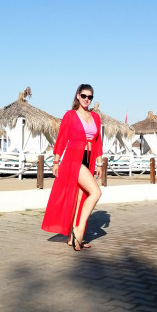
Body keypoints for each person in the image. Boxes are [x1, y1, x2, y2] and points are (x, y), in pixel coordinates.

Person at [41, 84, 103, 251]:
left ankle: (72, 238)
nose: (86, 99)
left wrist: (99, 163)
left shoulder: (95, 117)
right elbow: (62, 139)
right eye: (84, 96)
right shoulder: (70, 115)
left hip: (89, 159)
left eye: (90, 97)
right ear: (78, 95)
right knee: (96, 192)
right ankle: (79, 230)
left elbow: (98, 141)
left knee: (80, 198)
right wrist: (56, 162)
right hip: (74, 159)